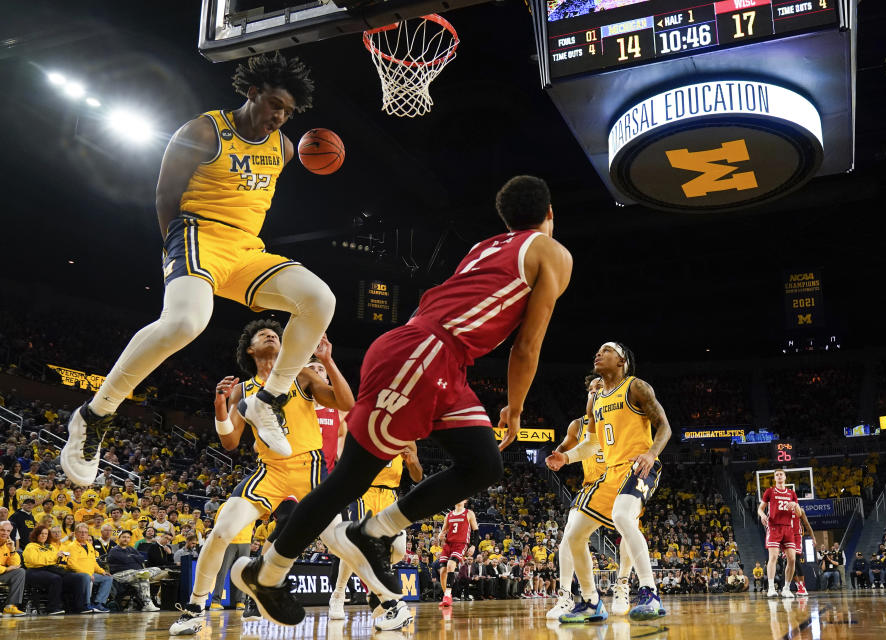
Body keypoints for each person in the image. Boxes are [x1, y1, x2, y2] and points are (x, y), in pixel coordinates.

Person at [233, 175, 573, 631]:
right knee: (350, 480)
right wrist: (515, 406)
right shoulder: (553, 252)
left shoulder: (484, 247)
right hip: (425, 353)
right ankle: (269, 571)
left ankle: (373, 531)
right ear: (549, 214)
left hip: (438, 357)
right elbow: (526, 345)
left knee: (483, 465)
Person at [60, 51, 335, 488]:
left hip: (246, 248)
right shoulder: (203, 131)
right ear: (252, 93)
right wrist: (175, 253)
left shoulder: (283, 148)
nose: (280, 117)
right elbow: (164, 194)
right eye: (274, 105)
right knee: (187, 321)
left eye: (287, 111)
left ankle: (270, 398)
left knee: (320, 299)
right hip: (195, 235)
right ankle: (94, 415)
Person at [168, 323, 354, 635]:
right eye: (262, 334)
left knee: (342, 542)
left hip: (310, 470)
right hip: (270, 471)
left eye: (276, 334)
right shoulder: (241, 389)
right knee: (221, 532)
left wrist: (328, 361)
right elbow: (229, 442)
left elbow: (346, 403)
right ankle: (194, 608)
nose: (270, 335)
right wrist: (219, 407)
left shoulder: (301, 374)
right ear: (250, 350)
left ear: (284, 348)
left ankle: (389, 603)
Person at [546, 342, 671, 623]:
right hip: (611, 473)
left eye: (606, 349)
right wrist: (566, 458)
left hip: (639, 465)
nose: (598, 353)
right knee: (573, 536)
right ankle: (591, 602)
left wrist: (652, 454)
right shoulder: (598, 400)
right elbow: (592, 445)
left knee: (622, 517)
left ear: (622, 359)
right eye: (597, 351)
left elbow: (665, 426)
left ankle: (649, 592)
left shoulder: (636, 387)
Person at [548, 376, 633, 619]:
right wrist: (559, 454)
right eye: (592, 389)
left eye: (601, 387)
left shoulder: (623, 417)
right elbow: (566, 446)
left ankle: (622, 585)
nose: (596, 391)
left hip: (620, 482)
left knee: (628, 531)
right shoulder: (578, 424)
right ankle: (566, 596)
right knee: (569, 536)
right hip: (590, 486)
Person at [329, 446, 423, 619]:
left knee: (399, 550)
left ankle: (375, 590)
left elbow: (417, 477)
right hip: (365, 492)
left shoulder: (408, 438)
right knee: (356, 545)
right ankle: (339, 594)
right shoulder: (369, 426)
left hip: (389, 496)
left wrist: (413, 462)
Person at [23, 525, 86, 614]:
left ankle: (79, 607)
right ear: (36, 535)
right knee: (55, 578)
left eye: (45, 534)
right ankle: (53, 608)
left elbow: (55, 561)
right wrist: (54, 557)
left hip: (51, 569)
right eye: (41, 533)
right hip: (35, 570)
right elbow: (35, 561)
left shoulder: (50, 547)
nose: (44, 536)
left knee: (77, 578)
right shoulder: (31, 546)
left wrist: (62, 559)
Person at [758, 470, 799, 598]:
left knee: (792, 559)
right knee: (773, 557)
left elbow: (798, 514)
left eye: (781, 474)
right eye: (777, 475)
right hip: (774, 527)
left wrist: (795, 505)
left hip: (788, 528)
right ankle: (771, 588)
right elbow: (760, 508)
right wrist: (762, 515)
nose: (779, 476)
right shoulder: (769, 491)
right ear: (774, 478)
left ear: (785, 477)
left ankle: (786, 588)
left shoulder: (791, 493)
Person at [106, 530, 166, 611]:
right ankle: (148, 603)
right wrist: (133, 557)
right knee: (141, 576)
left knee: (156, 569)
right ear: (119, 538)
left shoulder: (131, 549)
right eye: (123, 537)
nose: (126, 539)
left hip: (135, 574)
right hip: (120, 575)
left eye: (128, 537)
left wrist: (130, 556)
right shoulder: (114, 550)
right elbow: (125, 560)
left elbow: (142, 558)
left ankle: (147, 605)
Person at [437, 499, 479, 607]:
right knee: (442, 571)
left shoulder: (469, 513)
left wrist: (473, 545)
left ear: (465, 501)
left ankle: (447, 595)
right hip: (448, 544)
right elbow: (443, 532)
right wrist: (440, 537)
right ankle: (447, 596)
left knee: (451, 565)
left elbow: (476, 531)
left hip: (461, 544)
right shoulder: (448, 515)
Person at [66, 522, 113, 613]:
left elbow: (93, 563)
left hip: (90, 574)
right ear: (76, 534)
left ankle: (99, 603)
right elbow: (71, 564)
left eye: (85, 532)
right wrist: (87, 573)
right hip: (76, 574)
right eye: (80, 532)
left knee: (108, 578)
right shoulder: (72, 546)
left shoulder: (89, 546)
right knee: (86, 577)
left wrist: (102, 571)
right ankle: (85, 604)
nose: (83, 534)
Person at [0, 520, 26, 616]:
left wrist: (12, 550)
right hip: (2, 571)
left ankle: (10, 606)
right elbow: (8, 568)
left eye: (8, 531)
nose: (5, 533)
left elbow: (15, 564)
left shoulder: (7, 544)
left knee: (20, 572)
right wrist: (6, 569)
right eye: (2, 530)